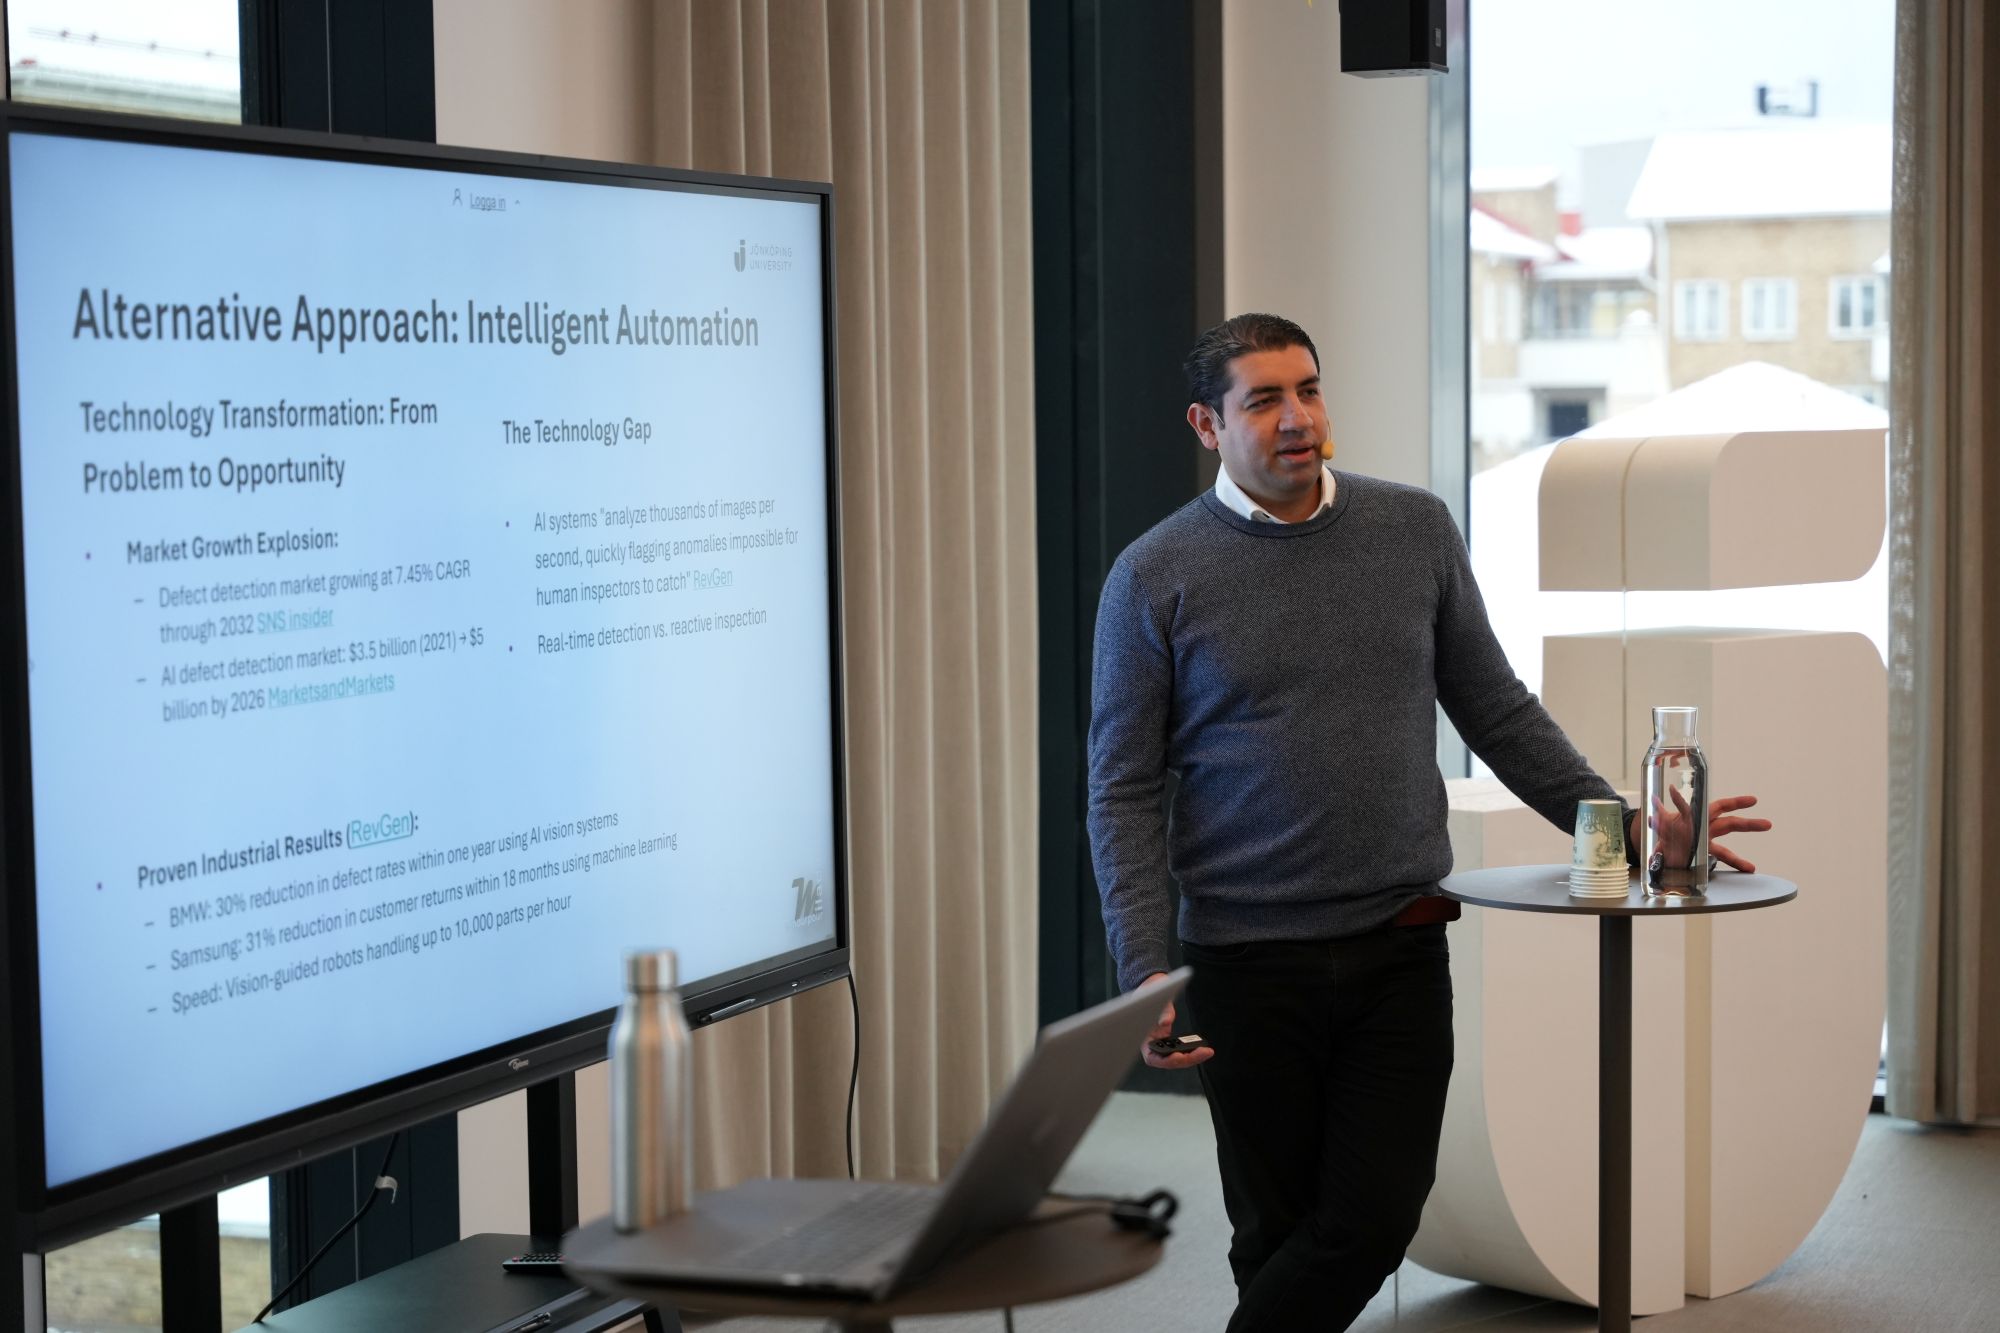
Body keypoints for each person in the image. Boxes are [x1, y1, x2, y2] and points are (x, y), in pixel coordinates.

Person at [1084, 313, 1770, 1331]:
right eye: (1263, 400)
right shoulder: (1153, 574)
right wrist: (1144, 967)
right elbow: (1122, 787)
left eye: (1307, 389)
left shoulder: (1413, 530)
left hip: (1397, 945)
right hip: (1243, 960)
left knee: (1372, 1217)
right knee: (1274, 1230)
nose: (1296, 417)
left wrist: (1627, 831)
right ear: (1205, 424)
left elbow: (1497, 712)